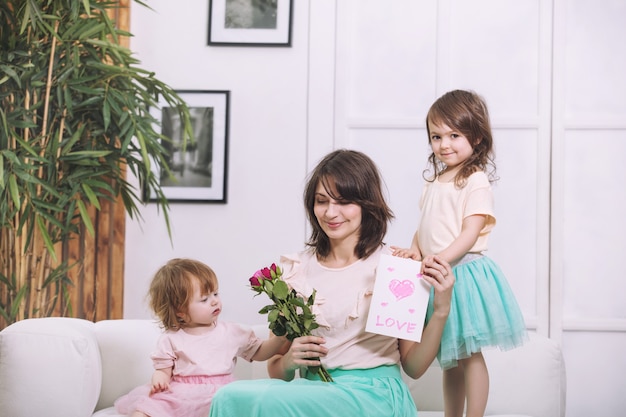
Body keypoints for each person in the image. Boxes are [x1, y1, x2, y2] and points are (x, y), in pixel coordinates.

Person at [209, 149, 455, 417]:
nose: (330, 212)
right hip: (310, 394)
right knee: (229, 398)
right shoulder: (294, 272)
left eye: (343, 201)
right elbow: (277, 370)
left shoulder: (395, 266)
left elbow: (414, 367)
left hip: (375, 396)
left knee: (236, 397)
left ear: (366, 204)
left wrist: (441, 310)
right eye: (321, 201)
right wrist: (290, 361)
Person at [391, 90, 528, 417]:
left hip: (461, 275)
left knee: (469, 356)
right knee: (448, 359)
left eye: (454, 135)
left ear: (477, 138)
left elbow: (470, 231)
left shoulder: (475, 180)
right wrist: (414, 250)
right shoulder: (435, 181)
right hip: (437, 275)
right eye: (436, 136)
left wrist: (441, 258)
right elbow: (425, 226)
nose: (444, 144)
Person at [114, 258, 286, 417]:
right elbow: (163, 370)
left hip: (221, 393)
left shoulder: (232, 332)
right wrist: (159, 379)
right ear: (180, 311)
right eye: (204, 299)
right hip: (181, 395)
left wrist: (278, 340)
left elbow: (259, 352)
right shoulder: (172, 338)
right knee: (147, 409)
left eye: (215, 294)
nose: (214, 301)